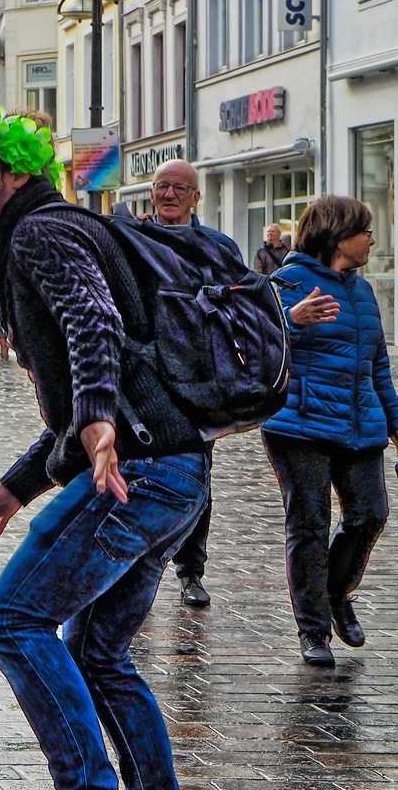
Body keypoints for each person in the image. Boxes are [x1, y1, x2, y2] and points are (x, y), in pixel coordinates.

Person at [0, 104, 210, 790]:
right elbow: (87, 374)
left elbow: (93, 328)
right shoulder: (62, 227)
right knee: (99, 653)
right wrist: (18, 486)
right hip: (173, 472)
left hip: (132, 470)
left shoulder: (39, 235)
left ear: (13, 172)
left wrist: (97, 418)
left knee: (14, 622)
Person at [261, 196, 397, 667]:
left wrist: (395, 423)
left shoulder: (362, 292)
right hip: (299, 427)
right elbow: (254, 346)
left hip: (360, 424)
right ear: (339, 236)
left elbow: (378, 367)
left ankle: (337, 591)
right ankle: (314, 630)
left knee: (370, 514)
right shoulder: (287, 282)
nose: (372, 241)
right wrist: (288, 321)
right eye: (366, 231)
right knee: (310, 526)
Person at [148, 158, 243, 610]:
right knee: (135, 474)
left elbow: (242, 309)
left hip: (199, 383)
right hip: (143, 380)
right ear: (150, 193)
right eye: (162, 187)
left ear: (195, 197)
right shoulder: (133, 241)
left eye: (179, 188)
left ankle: (191, 570)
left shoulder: (217, 247)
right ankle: (135, 567)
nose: (170, 195)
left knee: (197, 479)